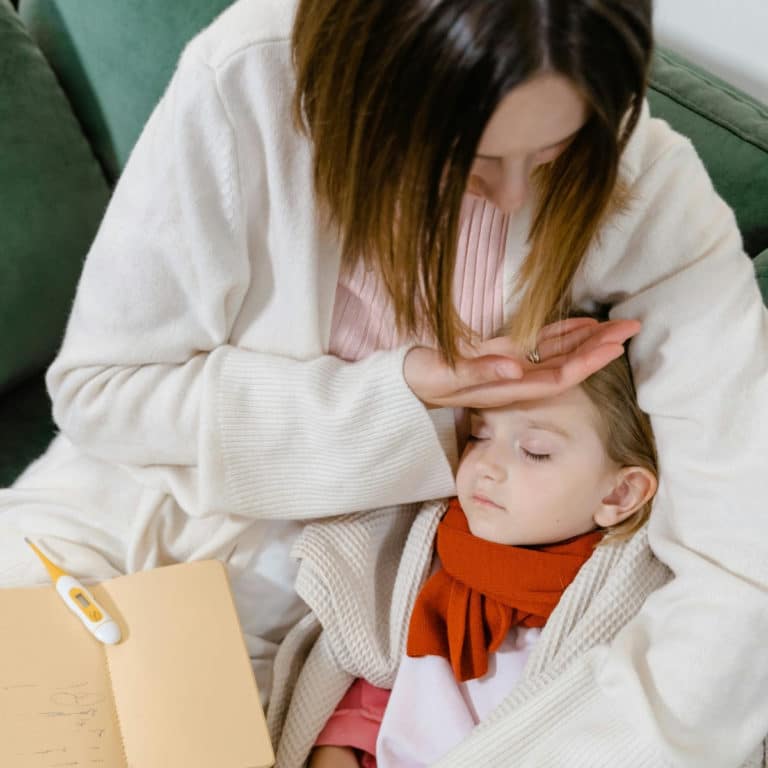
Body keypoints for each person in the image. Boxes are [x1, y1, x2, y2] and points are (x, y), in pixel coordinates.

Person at [0, 0, 765, 764]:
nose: (512, 198)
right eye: (473, 160)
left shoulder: (650, 188)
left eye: (554, 152)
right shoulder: (252, 79)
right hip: (120, 521)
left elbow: (740, 557)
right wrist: (407, 394)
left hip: (334, 604)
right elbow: (104, 393)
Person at [307, 349, 661, 768]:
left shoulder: (621, 611)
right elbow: (369, 701)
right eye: (478, 435)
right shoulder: (429, 561)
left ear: (619, 494)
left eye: (534, 450)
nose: (487, 465)